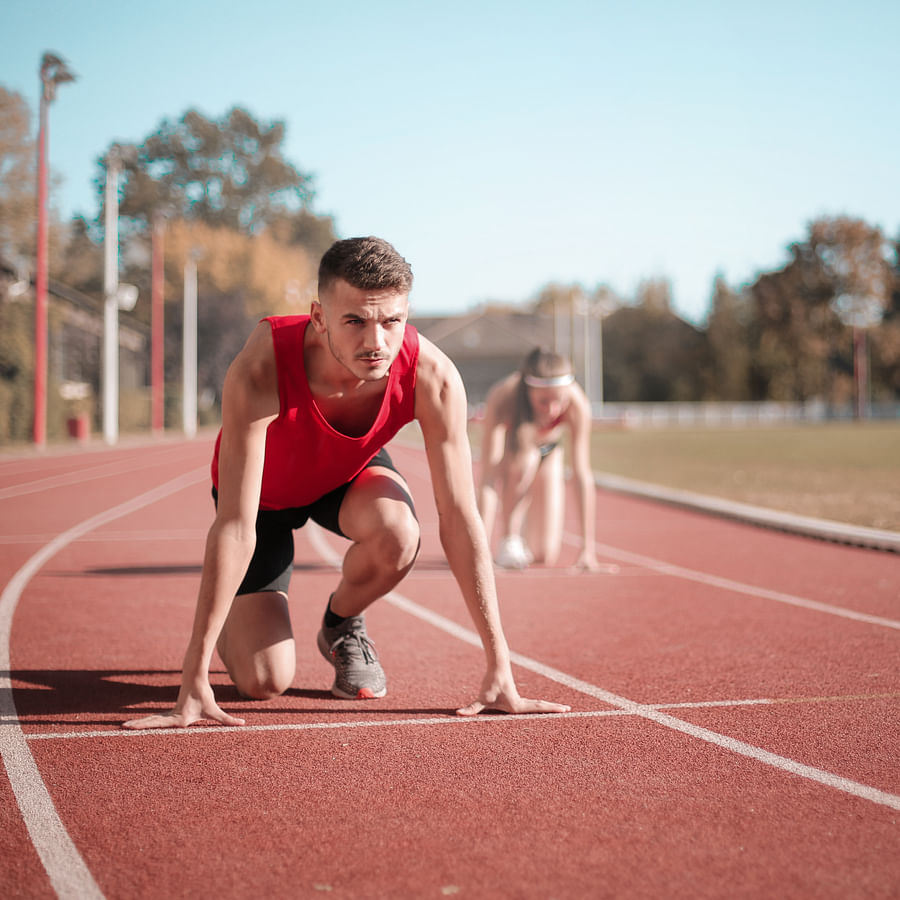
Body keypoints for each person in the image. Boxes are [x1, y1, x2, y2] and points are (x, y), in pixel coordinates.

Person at [124, 237, 569, 729]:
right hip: (263, 500)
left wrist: (499, 666)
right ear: (319, 316)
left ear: (406, 314)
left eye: (390, 321)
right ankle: (233, 613)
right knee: (264, 682)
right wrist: (193, 675)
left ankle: (340, 625)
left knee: (401, 532)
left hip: (345, 476)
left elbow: (461, 518)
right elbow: (234, 524)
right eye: (354, 321)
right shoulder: (262, 365)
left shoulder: (433, 377)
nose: (375, 342)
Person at [477, 348, 600, 571]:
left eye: (559, 401)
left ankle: (524, 536)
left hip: (550, 451)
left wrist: (587, 549)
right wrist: (479, 548)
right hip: (514, 453)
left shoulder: (577, 403)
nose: (553, 410)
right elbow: (488, 477)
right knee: (527, 460)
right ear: (528, 391)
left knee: (543, 554)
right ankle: (510, 538)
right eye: (543, 402)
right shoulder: (504, 396)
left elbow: (582, 475)